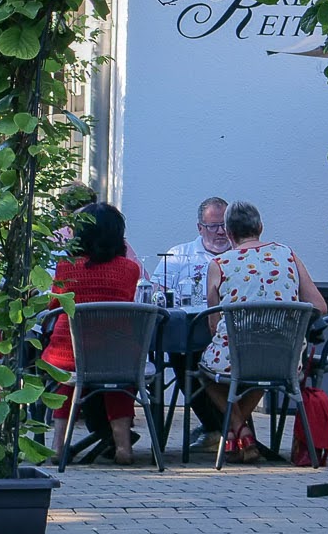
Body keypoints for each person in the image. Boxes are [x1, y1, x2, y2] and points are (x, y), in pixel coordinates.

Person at [200, 201, 327, 461]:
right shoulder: (288, 255)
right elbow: (320, 307)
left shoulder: (220, 264)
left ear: (229, 233)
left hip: (237, 357)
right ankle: (242, 433)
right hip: (284, 357)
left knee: (204, 372)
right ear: (260, 227)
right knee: (264, 367)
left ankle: (238, 429)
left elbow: (213, 326)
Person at [42, 202, 143, 463]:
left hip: (69, 352)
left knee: (67, 381)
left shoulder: (66, 267)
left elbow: (54, 305)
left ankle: (57, 445)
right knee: (118, 382)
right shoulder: (130, 270)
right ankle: (123, 446)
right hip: (116, 354)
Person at [157, 196, 234, 305]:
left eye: (225, 225)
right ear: (200, 228)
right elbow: (157, 295)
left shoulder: (242, 256)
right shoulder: (177, 255)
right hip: (189, 320)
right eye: (213, 226)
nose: (221, 231)